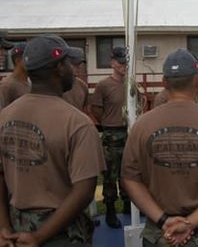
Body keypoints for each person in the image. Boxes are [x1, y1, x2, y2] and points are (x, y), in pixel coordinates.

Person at [121, 49, 198, 246]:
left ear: (164, 83)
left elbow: (130, 180)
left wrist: (163, 219)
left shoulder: (141, 125)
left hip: (160, 232)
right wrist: (191, 223)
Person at [0, 34, 105, 246]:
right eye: (68, 62)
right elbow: (84, 192)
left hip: (15, 230)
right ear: (59, 68)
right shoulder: (78, 124)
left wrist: (4, 227)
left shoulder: (5, 116)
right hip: (62, 234)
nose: (72, 69)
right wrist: (38, 237)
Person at [90, 46, 130, 228]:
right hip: (111, 135)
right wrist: (108, 122)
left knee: (128, 173)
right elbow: (96, 109)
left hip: (128, 133)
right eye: (120, 63)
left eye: (126, 63)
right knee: (110, 176)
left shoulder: (131, 83)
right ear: (113, 63)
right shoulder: (103, 85)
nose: (123, 66)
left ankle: (129, 205)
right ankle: (111, 211)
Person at [0, 43, 30, 110]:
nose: (33, 61)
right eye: (29, 58)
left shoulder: (30, 82)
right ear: (18, 61)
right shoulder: (6, 86)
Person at [63, 47, 89, 111]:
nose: (78, 67)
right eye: (75, 64)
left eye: (80, 64)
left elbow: (85, 109)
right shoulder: (54, 85)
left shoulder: (83, 86)